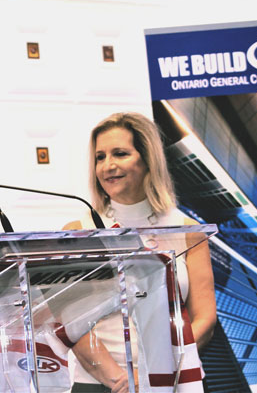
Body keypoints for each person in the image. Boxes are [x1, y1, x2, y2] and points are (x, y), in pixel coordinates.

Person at [63, 112, 216, 393]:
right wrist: (120, 379)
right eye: (100, 157)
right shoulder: (78, 230)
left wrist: (156, 371)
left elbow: (205, 317)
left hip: (175, 379)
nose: (108, 166)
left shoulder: (187, 229)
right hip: (102, 384)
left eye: (120, 153)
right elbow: (70, 321)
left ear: (148, 159)